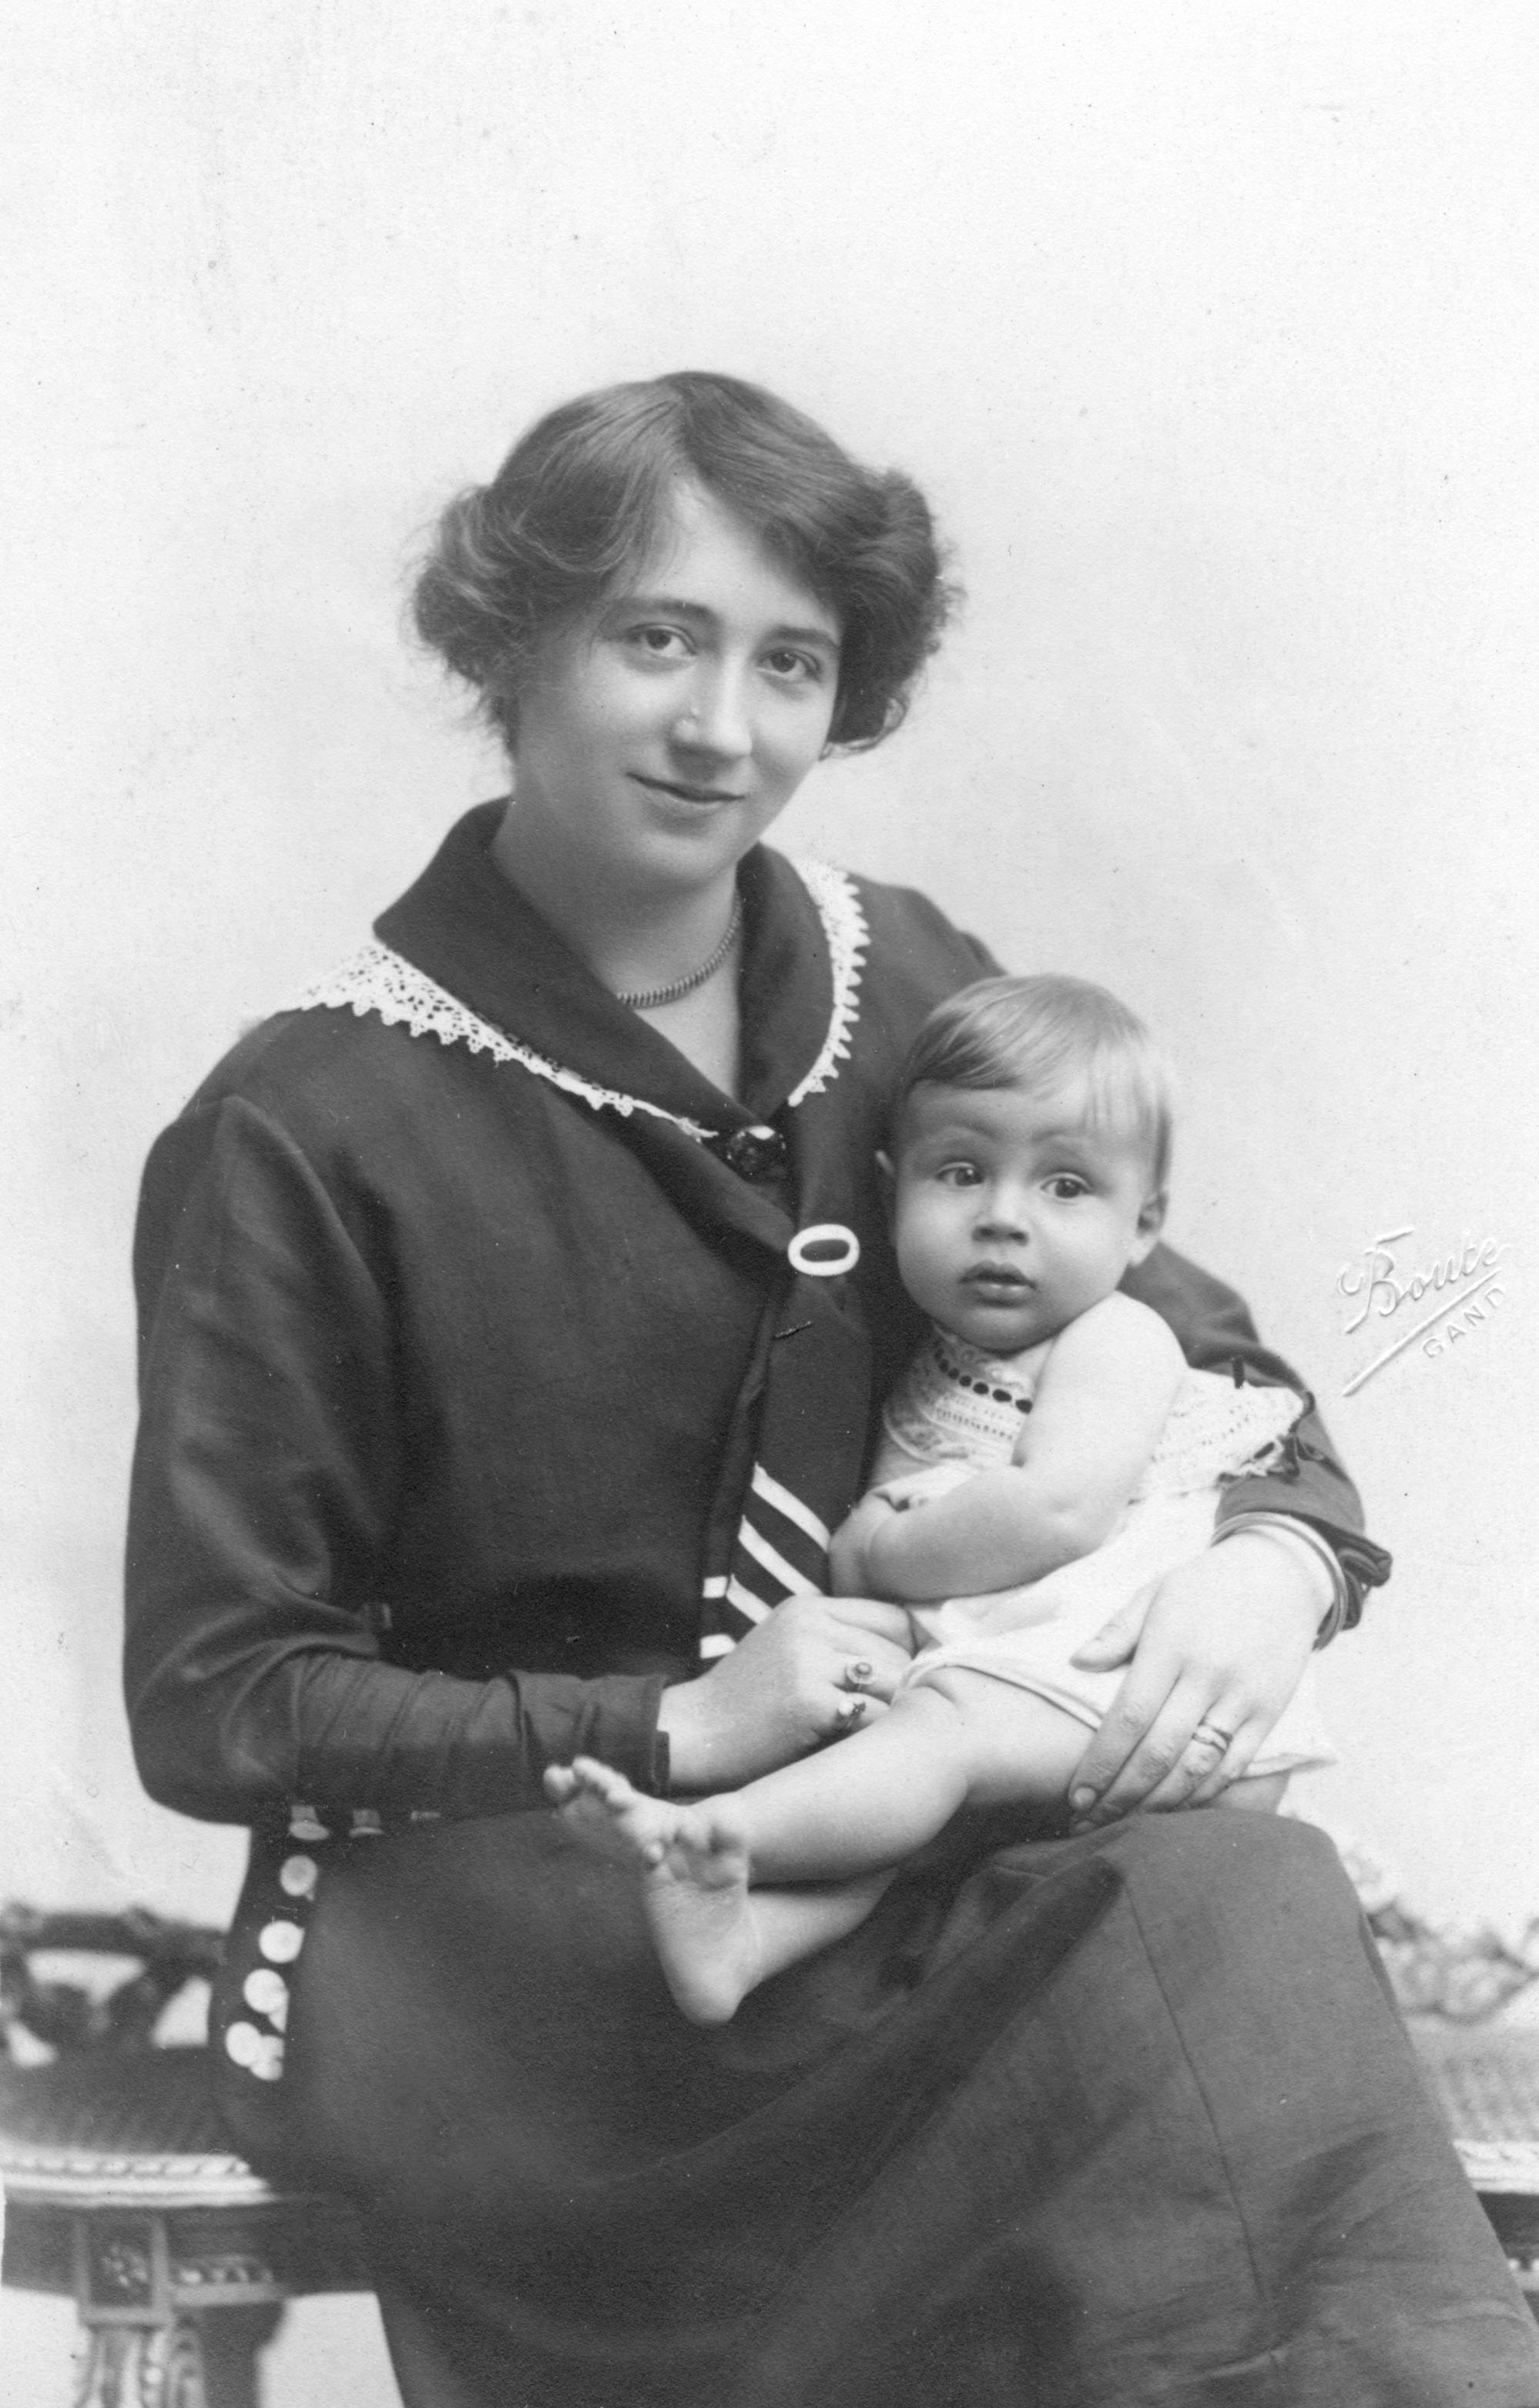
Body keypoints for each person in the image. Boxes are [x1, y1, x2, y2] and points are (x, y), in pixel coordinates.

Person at [123, 372, 1539, 2406]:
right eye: (656, 638)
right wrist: (678, 1720)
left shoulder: (903, 976)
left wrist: (1277, 1556)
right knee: (1190, 1987)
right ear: (516, 642)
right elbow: (218, 1696)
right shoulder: (307, 1121)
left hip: (888, 1878)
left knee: (1236, 1892)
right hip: (524, 1946)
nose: (722, 727)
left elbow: (1189, 1346)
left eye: (787, 662)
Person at [548, 972, 1340, 2025]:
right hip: (1037, 1663)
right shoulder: (942, 1361)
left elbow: (1054, 1513)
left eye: (1066, 1187)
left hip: (1140, 1690)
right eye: (961, 1173)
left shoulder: (1116, 1337)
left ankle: (716, 1833)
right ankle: (743, 1941)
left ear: (1144, 1224)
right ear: (891, 1194)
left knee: (937, 1735)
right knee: (896, 1783)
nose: (1004, 1219)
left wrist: (874, 1553)